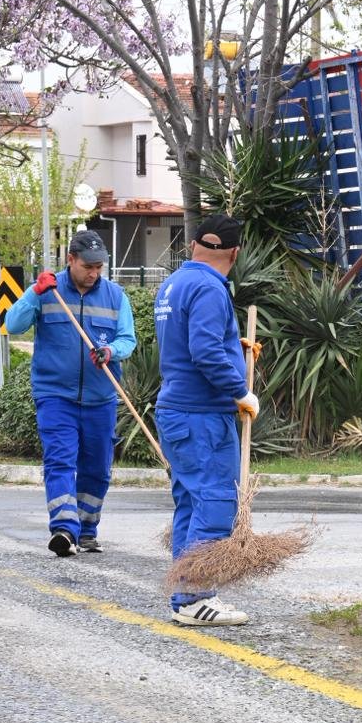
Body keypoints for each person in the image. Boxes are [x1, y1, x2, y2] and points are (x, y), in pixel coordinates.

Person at [153, 214, 259, 626]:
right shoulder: (210, 288)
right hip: (202, 415)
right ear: (235, 252)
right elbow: (205, 352)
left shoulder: (175, 283)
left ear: (194, 245)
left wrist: (237, 344)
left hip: (177, 410)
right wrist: (240, 390)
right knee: (216, 501)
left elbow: (188, 343)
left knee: (190, 503)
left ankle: (188, 597)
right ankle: (194, 597)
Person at [4, 230, 137, 558]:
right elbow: (14, 323)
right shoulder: (48, 292)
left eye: (99, 267)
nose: (94, 273)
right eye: (88, 266)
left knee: (96, 468)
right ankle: (64, 528)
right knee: (59, 460)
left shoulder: (115, 296)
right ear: (71, 260)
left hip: (100, 397)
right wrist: (34, 293)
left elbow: (127, 339)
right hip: (55, 395)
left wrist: (110, 351)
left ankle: (87, 530)